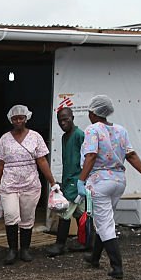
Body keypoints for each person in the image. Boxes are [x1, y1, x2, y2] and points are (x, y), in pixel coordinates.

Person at [77, 95, 141, 278]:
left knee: (105, 223)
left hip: (100, 182)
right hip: (119, 182)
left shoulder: (92, 129)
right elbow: (131, 155)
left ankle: (117, 267)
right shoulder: (121, 130)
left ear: (93, 112)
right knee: (103, 219)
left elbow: (90, 156)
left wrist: (81, 180)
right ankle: (94, 258)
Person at [0, 104, 59, 264]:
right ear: (10, 120)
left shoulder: (35, 137)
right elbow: (0, 164)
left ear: (26, 118)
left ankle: (25, 249)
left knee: (27, 218)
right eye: (15, 118)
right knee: (11, 216)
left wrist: (52, 182)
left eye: (21, 117)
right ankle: (12, 249)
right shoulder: (5, 139)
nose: (18, 120)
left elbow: (42, 161)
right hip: (9, 185)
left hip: (30, 184)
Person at [44, 106, 87, 256]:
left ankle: (60, 245)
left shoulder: (79, 135)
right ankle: (88, 242)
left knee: (64, 212)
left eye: (65, 119)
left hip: (76, 181)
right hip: (69, 179)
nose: (62, 123)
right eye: (60, 120)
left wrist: (83, 180)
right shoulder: (64, 137)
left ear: (72, 118)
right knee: (81, 213)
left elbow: (88, 157)